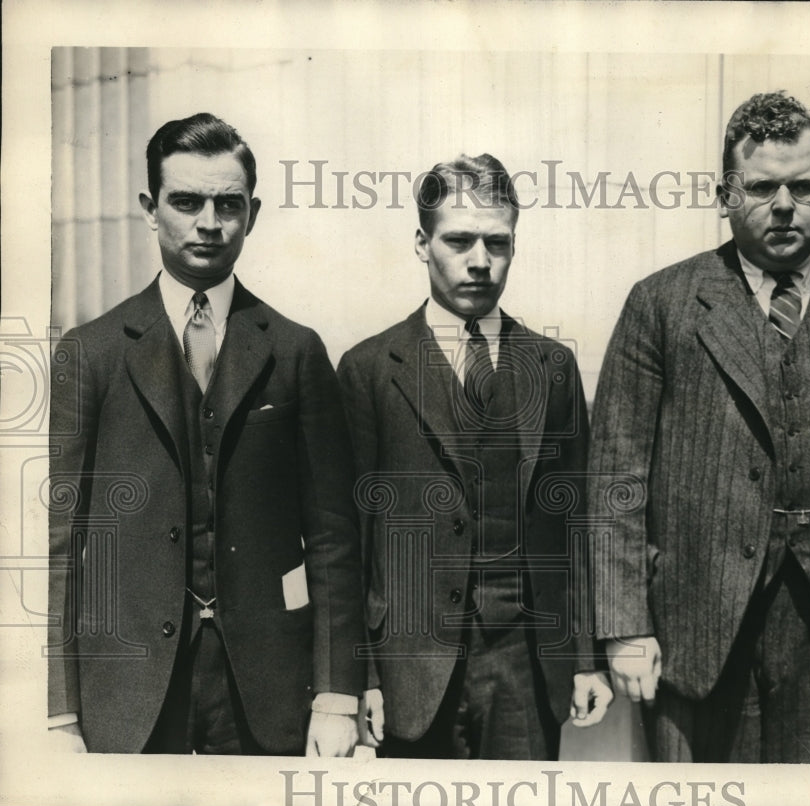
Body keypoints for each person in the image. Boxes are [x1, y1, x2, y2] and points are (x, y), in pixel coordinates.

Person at [589, 91, 810, 763]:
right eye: (762, 187)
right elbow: (616, 477)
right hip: (690, 624)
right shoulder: (661, 304)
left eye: (804, 186)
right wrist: (623, 627)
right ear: (726, 193)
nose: (786, 204)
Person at [47, 113, 365, 755]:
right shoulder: (93, 352)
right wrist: (58, 712)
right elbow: (58, 542)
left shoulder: (296, 351)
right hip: (127, 691)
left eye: (229, 203)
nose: (209, 222)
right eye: (186, 202)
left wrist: (335, 698)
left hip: (266, 691)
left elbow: (333, 537)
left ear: (253, 213)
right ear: (150, 208)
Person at [338, 154, 612, 760]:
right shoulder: (368, 370)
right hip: (410, 664)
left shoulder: (553, 367)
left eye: (498, 242)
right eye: (459, 240)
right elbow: (350, 541)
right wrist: (365, 679)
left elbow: (577, 527)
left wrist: (587, 660)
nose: (481, 261)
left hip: (525, 660)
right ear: (421, 242)